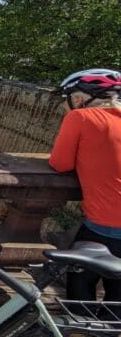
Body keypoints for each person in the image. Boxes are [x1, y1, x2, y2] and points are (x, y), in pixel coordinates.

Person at [48, 68, 121, 304]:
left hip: (106, 226)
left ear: (79, 99)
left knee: (80, 290)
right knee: (117, 299)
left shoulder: (81, 117)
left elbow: (60, 164)